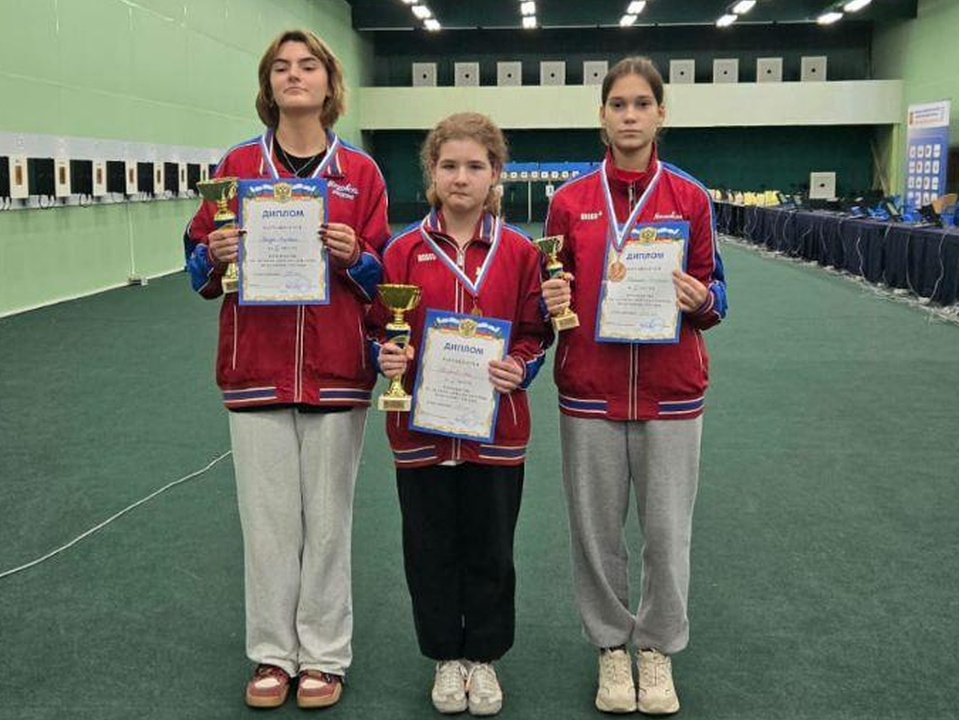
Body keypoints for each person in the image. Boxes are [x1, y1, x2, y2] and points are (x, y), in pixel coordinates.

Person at [183, 29, 389, 710]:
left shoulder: (361, 173)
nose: (294, 75)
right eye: (281, 67)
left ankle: (323, 656)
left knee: (328, 525)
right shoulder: (237, 165)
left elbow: (385, 277)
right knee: (267, 525)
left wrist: (355, 255)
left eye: (307, 66)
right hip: (256, 368)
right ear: (268, 85)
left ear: (330, 83)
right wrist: (212, 253)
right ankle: (273, 654)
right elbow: (196, 268)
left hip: (337, 370)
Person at [541, 56, 727, 715]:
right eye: (618, 104)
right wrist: (549, 300)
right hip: (589, 390)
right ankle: (610, 647)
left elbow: (717, 292)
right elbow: (549, 294)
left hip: (671, 391)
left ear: (660, 114)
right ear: (601, 116)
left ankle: (656, 647)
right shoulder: (568, 202)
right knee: (595, 533)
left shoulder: (690, 197)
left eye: (641, 104)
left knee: (668, 533)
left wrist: (703, 298)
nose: (629, 115)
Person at [372, 112, 552, 716]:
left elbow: (536, 333)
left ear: (495, 173)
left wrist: (520, 366)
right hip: (419, 432)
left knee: (492, 548)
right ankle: (446, 656)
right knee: (428, 548)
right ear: (432, 171)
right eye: (449, 165)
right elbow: (376, 328)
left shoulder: (520, 251)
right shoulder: (401, 251)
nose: (461, 177)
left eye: (475, 166)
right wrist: (386, 355)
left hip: (497, 430)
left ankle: (485, 657)